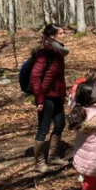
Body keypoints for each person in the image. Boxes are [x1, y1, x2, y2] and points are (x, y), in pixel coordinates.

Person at [31, 24, 69, 173]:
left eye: (63, 32)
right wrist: (39, 100)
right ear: (52, 36)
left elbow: (59, 77)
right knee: (43, 129)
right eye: (61, 33)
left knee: (60, 124)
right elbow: (35, 78)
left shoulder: (58, 52)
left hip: (57, 96)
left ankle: (53, 157)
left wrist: (63, 94)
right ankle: (39, 164)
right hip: (46, 97)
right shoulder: (44, 54)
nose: (64, 35)